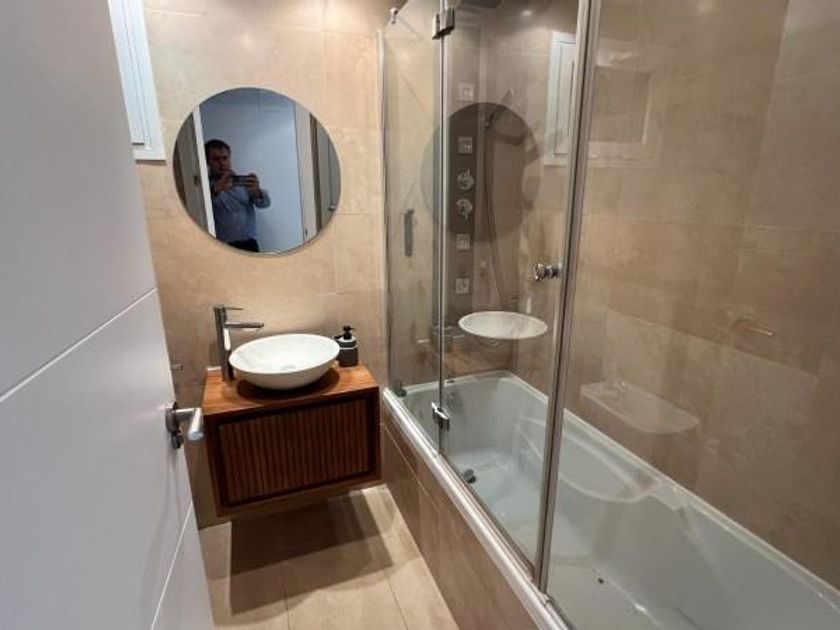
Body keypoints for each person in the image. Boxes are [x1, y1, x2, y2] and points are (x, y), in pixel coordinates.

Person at [204, 139, 271, 252]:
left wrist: (257, 191)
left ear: (230, 158)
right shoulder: (203, 187)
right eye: (216, 159)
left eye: (225, 158)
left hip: (249, 244)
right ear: (207, 161)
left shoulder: (243, 182)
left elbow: (265, 204)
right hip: (222, 246)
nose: (222, 163)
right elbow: (199, 210)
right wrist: (215, 190)